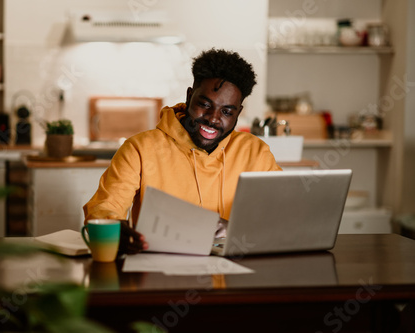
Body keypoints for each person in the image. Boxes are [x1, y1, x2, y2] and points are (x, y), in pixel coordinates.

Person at [83, 48, 281, 253]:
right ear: (189, 96)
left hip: (236, 271)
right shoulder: (140, 148)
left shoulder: (255, 152)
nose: (213, 118)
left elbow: (283, 210)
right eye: (204, 104)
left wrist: (235, 229)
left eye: (226, 112)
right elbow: (105, 207)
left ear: (238, 112)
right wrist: (114, 229)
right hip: (159, 273)